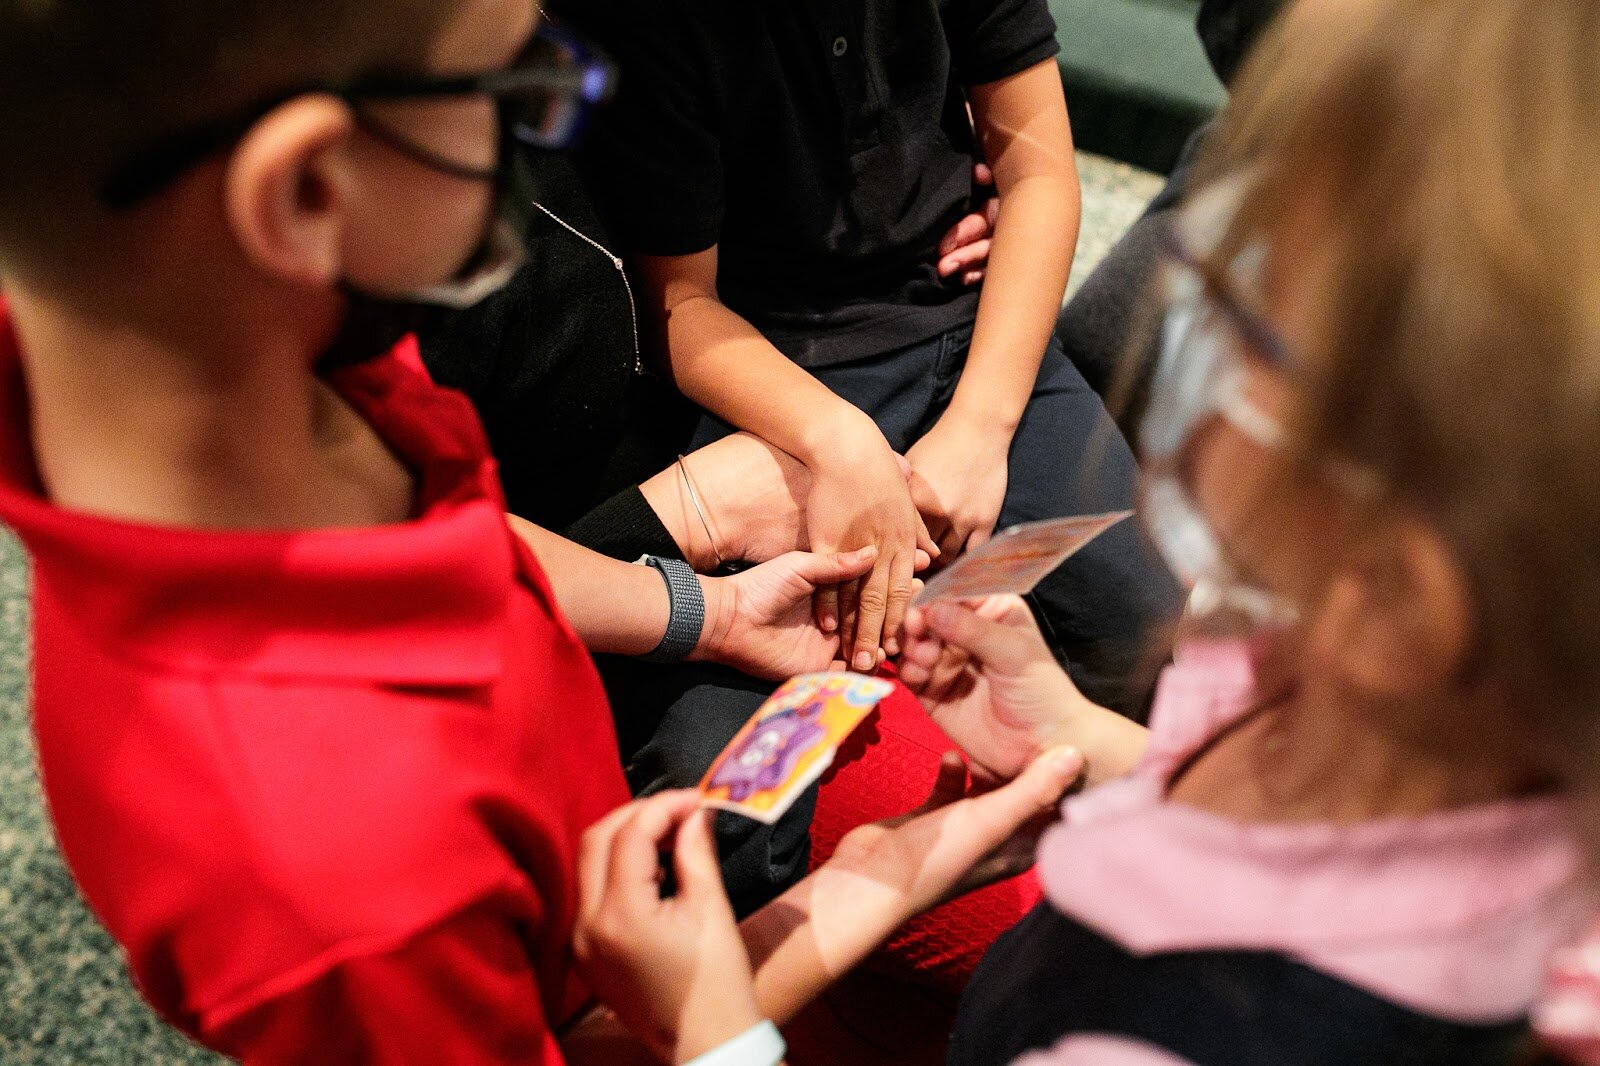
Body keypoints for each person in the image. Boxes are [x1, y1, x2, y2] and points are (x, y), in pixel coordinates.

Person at [0, 0, 1082, 1060]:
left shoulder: (259, 366)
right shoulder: (342, 891)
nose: (543, 130)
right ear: (311, 193)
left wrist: (704, 609)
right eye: (514, 84)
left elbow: (457, 535)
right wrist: (824, 923)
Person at [888, 0, 1600, 1060]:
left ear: (1394, 569)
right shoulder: (1351, 680)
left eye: (1248, 305)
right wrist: (1081, 737)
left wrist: (722, 1027)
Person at [554, 0, 1183, 715]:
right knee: (734, 746)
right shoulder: (659, 25)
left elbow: (1038, 174)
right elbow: (681, 306)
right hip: (778, 388)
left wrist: (983, 425)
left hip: (976, 336)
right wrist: (839, 439)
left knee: (1155, 637)